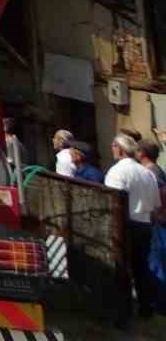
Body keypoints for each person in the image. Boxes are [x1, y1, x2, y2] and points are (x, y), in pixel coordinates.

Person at [105, 133, 162, 323]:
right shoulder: (147, 173)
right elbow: (156, 205)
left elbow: (112, 202)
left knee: (121, 268)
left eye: (113, 145)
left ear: (120, 149)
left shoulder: (116, 172)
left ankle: (123, 312)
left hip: (125, 224)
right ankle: (145, 309)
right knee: (141, 268)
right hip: (144, 225)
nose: (111, 148)